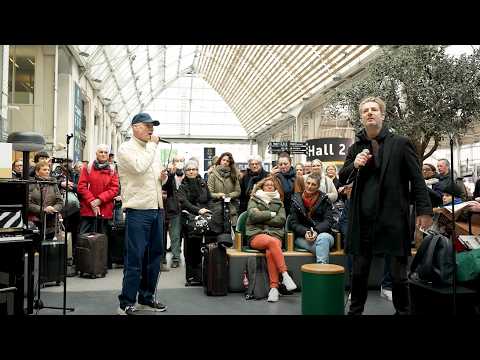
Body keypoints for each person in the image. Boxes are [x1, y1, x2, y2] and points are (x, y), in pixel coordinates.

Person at [338, 96, 432, 315]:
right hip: (363, 220)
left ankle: (403, 312)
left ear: (382, 114)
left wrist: (424, 210)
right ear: (361, 117)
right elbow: (343, 178)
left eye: (374, 109)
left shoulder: (400, 143)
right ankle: (355, 312)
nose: (370, 113)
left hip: (393, 219)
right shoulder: (356, 147)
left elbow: (417, 180)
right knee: (359, 273)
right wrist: (355, 164)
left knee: (399, 275)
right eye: (365, 111)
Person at [116, 112, 168, 315]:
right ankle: (126, 302)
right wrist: (154, 146)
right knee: (135, 258)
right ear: (134, 127)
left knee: (154, 257)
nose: (151, 129)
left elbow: (152, 178)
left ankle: (146, 297)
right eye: (147, 125)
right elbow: (138, 168)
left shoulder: (150, 150)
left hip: (156, 208)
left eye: (152, 126)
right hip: (138, 210)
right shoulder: (125, 149)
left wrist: (162, 178)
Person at [246, 176, 297, 302]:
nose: (269, 186)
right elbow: (252, 216)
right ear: (262, 186)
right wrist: (271, 214)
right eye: (266, 184)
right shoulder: (254, 199)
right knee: (272, 242)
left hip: (275, 233)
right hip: (257, 234)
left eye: (272, 185)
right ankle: (284, 275)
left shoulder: (279, 202)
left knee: (271, 250)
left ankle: (273, 289)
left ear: (275, 187)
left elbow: (281, 220)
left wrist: (262, 216)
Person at [178, 160, 215, 286]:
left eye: (194, 169)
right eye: (189, 170)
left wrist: (208, 211)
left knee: (203, 247)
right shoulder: (182, 186)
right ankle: (191, 277)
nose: (192, 171)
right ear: (185, 172)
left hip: (205, 217)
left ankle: (201, 276)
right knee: (190, 248)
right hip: (190, 218)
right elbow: (184, 203)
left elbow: (209, 198)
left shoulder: (203, 183)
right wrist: (199, 210)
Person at [289, 173, 335, 264]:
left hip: (323, 234)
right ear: (305, 183)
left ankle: (320, 272)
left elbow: (329, 220)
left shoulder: (325, 199)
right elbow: (293, 223)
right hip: (303, 237)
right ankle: (323, 273)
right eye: (308, 183)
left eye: (313, 184)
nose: (309, 186)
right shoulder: (296, 199)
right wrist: (306, 232)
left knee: (323, 238)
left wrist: (316, 231)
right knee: (322, 247)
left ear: (318, 186)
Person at [77, 144, 119, 235]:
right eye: (101, 152)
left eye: (105, 152)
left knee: (102, 241)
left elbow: (114, 189)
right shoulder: (88, 168)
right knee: (84, 239)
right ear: (96, 153)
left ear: (108, 155)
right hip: (88, 210)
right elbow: (81, 187)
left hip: (105, 210)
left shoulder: (112, 170)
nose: (103, 154)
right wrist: (92, 201)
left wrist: (100, 200)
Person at [28, 160, 64, 239]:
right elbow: (28, 203)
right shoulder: (31, 184)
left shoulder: (53, 183)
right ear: (37, 172)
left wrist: (53, 209)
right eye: (44, 170)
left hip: (51, 222)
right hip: (35, 222)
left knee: (49, 248)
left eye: (48, 170)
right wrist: (43, 209)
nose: (47, 171)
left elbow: (60, 202)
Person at [163, 155, 185, 269]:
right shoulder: (170, 176)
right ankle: (175, 257)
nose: (179, 163)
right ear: (173, 163)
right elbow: (165, 187)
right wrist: (170, 174)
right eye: (177, 161)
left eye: (181, 160)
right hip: (174, 208)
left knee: (187, 234)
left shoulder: (188, 175)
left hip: (187, 208)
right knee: (175, 234)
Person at [207, 152, 241, 227]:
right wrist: (219, 195)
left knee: (232, 229)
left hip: (231, 206)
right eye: (223, 160)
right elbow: (209, 193)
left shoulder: (234, 174)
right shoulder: (212, 175)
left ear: (230, 163)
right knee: (217, 229)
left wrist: (228, 195)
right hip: (216, 206)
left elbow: (238, 191)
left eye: (227, 161)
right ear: (220, 161)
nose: (225, 162)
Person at [270, 152, 301, 216]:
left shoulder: (298, 177)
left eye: (285, 164)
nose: (283, 166)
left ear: (290, 163)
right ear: (277, 165)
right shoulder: (274, 177)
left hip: (295, 210)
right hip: (279, 210)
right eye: (280, 164)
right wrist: (271, 176)